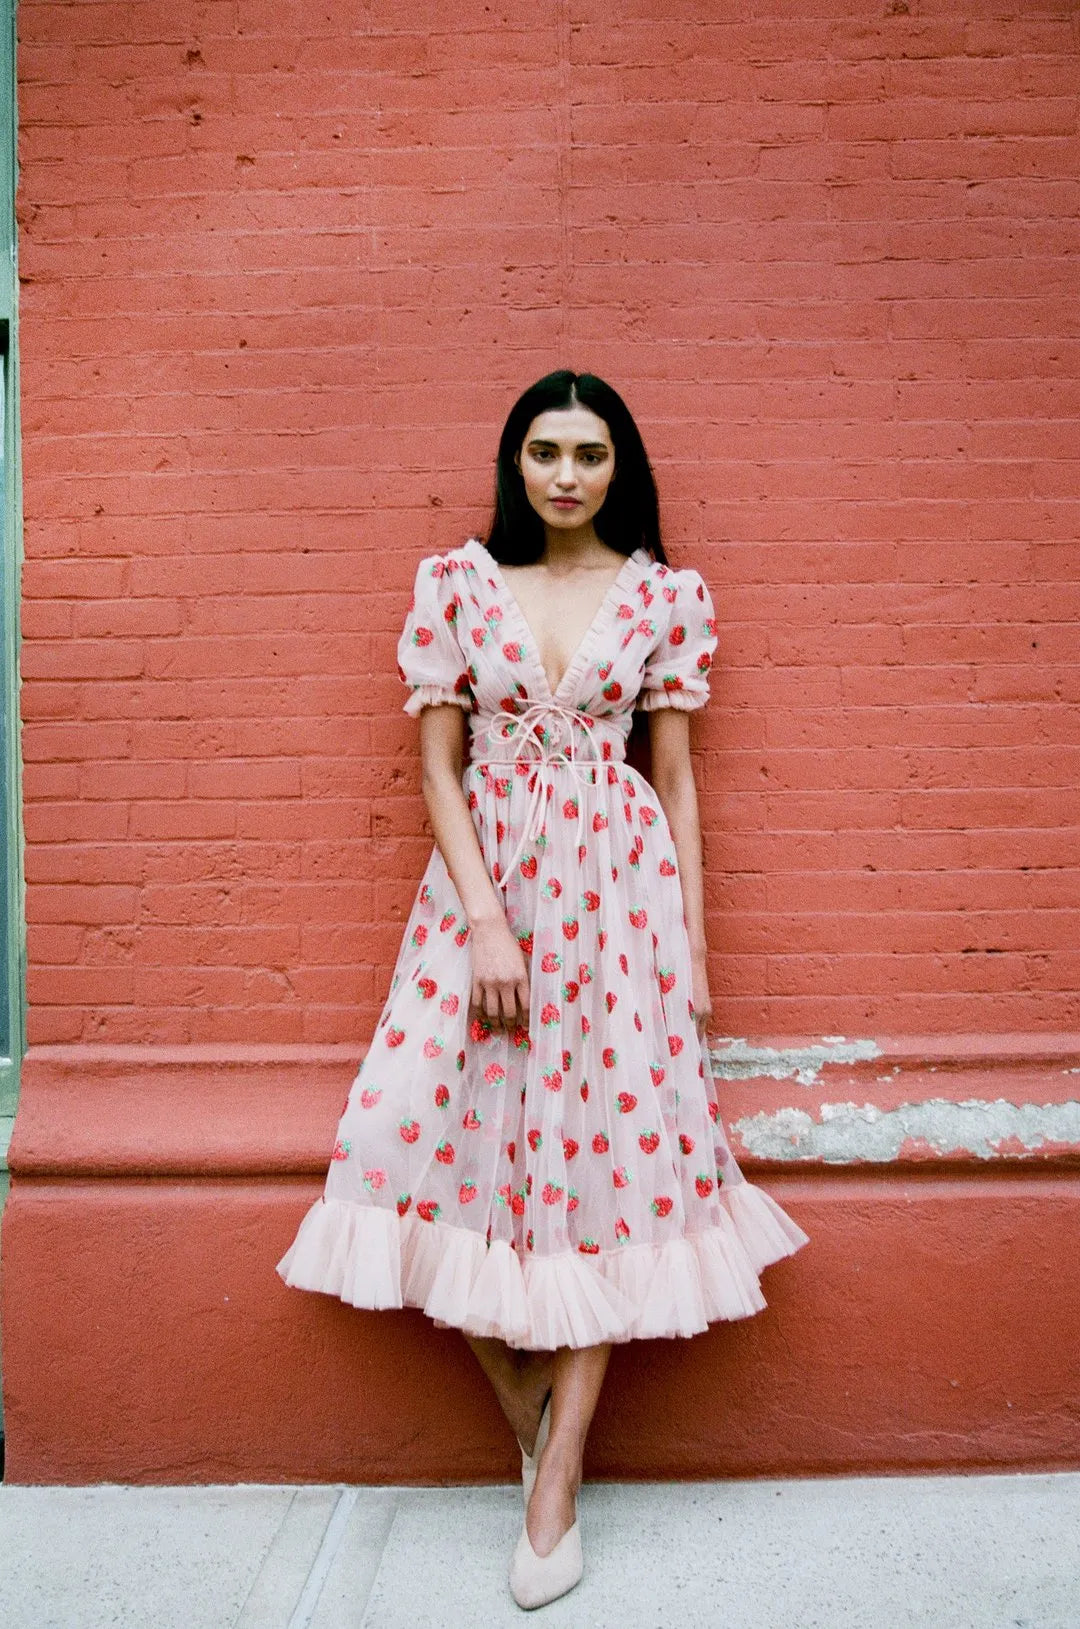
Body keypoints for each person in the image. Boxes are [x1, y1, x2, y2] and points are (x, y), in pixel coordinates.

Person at [277, 370, 810, 1609]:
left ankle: (558, 1469)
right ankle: (526, 1404)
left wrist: (692, 943)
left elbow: (673, 780)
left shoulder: (664, 596)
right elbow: (437, 770)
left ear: (620, 468)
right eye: (544, 452)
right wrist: (485, 925)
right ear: (514, 462)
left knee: (611, 1177)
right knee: (393, 1144)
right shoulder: (459, 583)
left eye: (590, 454)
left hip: (620, 909)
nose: (566, 475)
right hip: (488, 901)